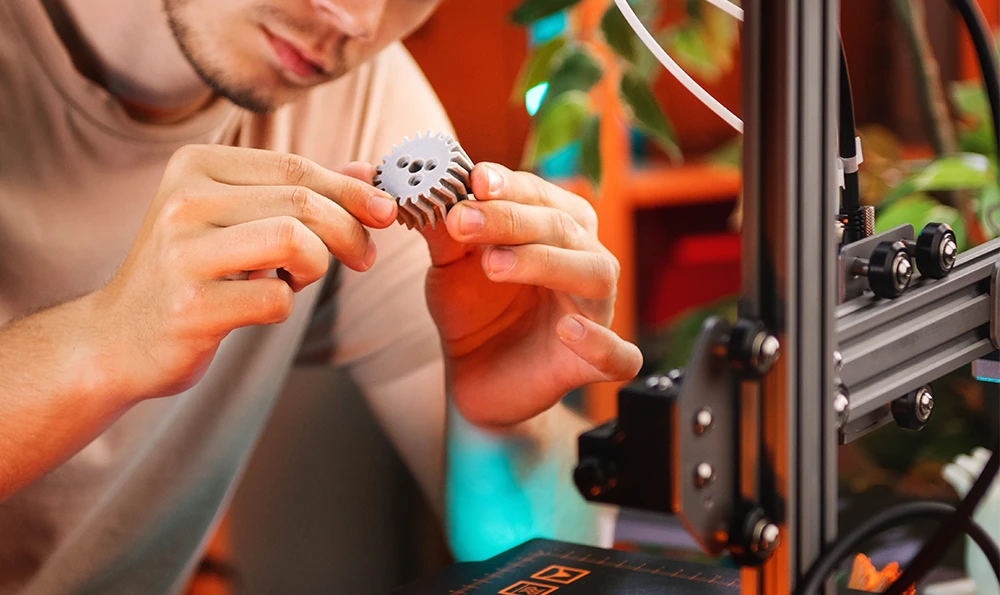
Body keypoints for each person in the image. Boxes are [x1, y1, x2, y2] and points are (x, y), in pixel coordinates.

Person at [0, 0, 644, 592]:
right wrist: (103, 343)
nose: (357, 18)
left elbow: (538, 560)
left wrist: (501, 430)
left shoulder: (364, 103)